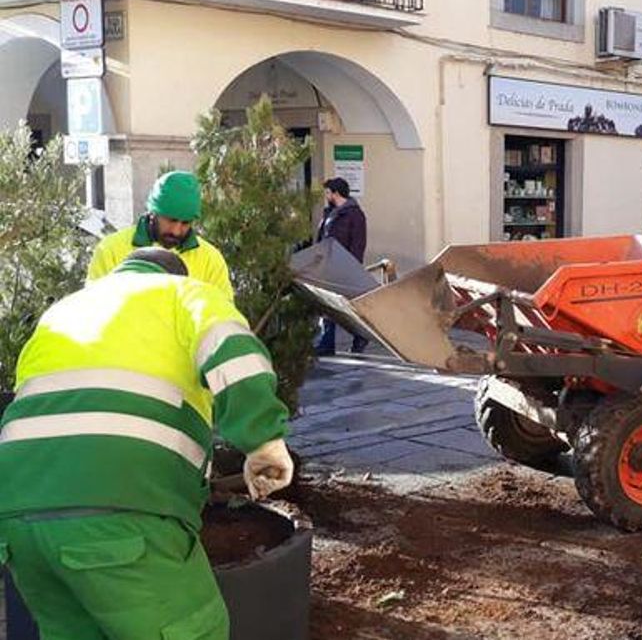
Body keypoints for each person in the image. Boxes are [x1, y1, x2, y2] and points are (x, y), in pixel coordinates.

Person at [0, 248, 294, 640]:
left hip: (19, 519)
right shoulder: (182, 292)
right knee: (192, 630)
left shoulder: (64, 311)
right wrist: (264, 441)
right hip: (118, 509)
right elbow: (235, 353)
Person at [88, 171, 234, 300]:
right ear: (153, 212)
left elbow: (223, 313)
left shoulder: (210, 260)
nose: (176, 231)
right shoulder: (110, 251)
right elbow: (94, 309)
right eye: (171, 220)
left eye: (185, 223)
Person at [315, 177, 369, 355]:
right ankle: (326, 343)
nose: (326, 195)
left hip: (344, 267)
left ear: (336, 193)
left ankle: (361, 336)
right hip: (328, 265)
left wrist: (352, 267)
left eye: (328, 192)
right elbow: (322, 238)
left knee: (346, 307)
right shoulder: (329, 213)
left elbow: (358, 243)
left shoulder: (355, 215)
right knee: (326, 305)